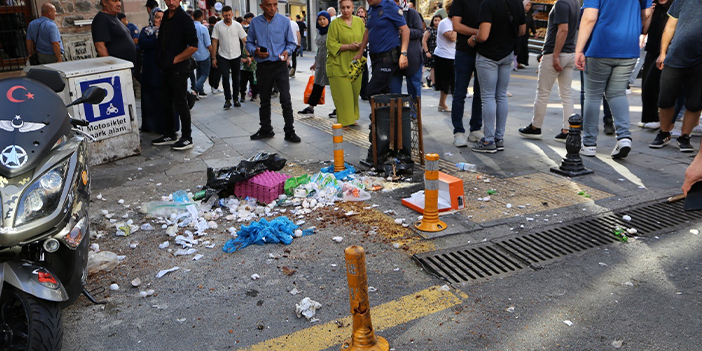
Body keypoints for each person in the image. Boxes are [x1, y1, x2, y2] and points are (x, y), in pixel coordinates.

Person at [575, 0, 652, 159]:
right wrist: (638, 30)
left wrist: (579, 49)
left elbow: (589, 18)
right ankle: (624, 138)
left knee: (593, 95)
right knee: (617, 93)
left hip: (600, 46)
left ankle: (589, 144)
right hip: (629, 47)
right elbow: (647, 13)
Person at [354, 0, 409, 163]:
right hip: (375, 59)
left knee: (372, 92)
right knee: (384, 98)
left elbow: (405, 30)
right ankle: (385, 142)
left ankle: (379, 138)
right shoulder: (372, 9)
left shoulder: (390, 6)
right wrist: (360, 51)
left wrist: (404, 53)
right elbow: (368, 31)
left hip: (387, 58)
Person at [469, 0, 526, 153]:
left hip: (488, 55)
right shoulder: (517, 3)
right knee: (501, 96)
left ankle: (488, 140)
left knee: (487, 97)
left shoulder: (487, 3)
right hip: (507, 54)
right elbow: (522, 31)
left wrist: (474, 39)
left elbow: (483, 35)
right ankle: (499, 138)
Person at [518, 0, 578, 141]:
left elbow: (563, 30)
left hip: (556, 54)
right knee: (566, 93)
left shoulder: (562, 3)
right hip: (569, 53)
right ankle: (567, 130)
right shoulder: (575, 3)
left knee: (543, 92)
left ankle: (535, 127)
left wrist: (555, 55)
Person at [649, 0, 702, 153]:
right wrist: (663, 52)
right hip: (675, 57)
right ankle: (664, 133)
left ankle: (685, 136)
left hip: (700, 61)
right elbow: (670, 25)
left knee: (695, 103)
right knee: (665, 100)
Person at [245, 0, 301, 142]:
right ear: (262, 6)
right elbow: (249, 42)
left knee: (286, 99)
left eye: (275, 4)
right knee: (264, 99)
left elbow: (291, 42)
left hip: (280, 65)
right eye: (269, 5)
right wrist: (255, 51)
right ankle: (266, 129)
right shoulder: (255, 22)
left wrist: (287, 52)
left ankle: (289, 130)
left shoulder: (283, 21)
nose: (273, 8)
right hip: (263, 66)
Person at [153, 0, 198, 150]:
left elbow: (193, 46)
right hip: (165, 67)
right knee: (166, 101)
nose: (171, 2)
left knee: (180, 102)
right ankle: (170, 133)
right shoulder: (166, 15)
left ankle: (187, 137)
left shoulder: (185, 19)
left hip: (178, 68)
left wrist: (175, 59)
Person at [449, 0, 483, 148]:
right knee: (460, 93)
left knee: (480, 94)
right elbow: (456, 26)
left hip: (484, 52)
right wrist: (477, 33)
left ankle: (475, 129)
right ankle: (458, 131)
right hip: (464, 51)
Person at [640, 0, 678, 130]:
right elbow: (645, 30)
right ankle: (650, 117)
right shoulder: (654, 7)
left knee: (658, 85)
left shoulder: (676, 7)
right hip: (652, 48)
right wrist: (648, 14)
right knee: (646, 85)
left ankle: (660, 119)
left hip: (667, 51)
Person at [327, 0, 365, 128]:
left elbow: (364, 38)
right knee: (343, 95)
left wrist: (361, 46)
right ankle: (344, 121)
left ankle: (352, 118)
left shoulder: (359, 22)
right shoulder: (335, 24)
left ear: (353, 7)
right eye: (343, 8)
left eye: (348, 7)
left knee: (354, 94)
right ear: (339, 8)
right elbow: (330, 44)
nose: (346, 10)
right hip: (338, 64)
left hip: (355, 64)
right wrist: (349, 46)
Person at [139, 9, 177, 134]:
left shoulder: (170, 30)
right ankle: (151, 126)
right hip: (151, 71)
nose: (160, 19)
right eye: (157, 17)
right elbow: (143, 43)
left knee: (167, 99)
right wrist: (158, 40)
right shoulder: (146, 31)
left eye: (163, 17)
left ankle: (169, 127)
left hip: (166, 71)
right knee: (151, 100)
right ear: (152, 18)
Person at [212, 6, 248, 109]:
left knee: (236, 78)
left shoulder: (237, 26)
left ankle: (236, 98)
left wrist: (248, 55)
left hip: (236, 56)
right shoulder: (218, 26)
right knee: (226, 77)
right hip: (223, 56)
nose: (227, 17)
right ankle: (227, 99)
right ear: (222, 15)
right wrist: (213, 58)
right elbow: (214, 42)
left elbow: (244, 40)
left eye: (229, 15)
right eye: (225, 15)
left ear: (232, 14)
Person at [389, 0, 425, 100]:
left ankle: (414, 114)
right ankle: (398, 114)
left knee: (414, 89)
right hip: (393, 57)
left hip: (412, 57)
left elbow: (420, 32)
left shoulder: (411, 13)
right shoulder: (387, 13)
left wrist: (405, 31)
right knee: (394, 92)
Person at [298, 11, 331, 115]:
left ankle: (338, 108)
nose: (322, 21)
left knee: (335, 86)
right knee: (317, 84)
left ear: (328, 20)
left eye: (324, 19)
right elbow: (319, 49)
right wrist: (315, 63)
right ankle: (311, 106)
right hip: (320, 63)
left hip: (330, 62)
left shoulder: (332, 31)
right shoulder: (318, 32)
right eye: (320, 19)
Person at [92, 0, 137, 65]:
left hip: (126, 67)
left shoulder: (114, 18)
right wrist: (111, 68)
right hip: (117, 69)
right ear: (104, 2)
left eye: (119, 1)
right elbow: (100, 46)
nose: (119, 4)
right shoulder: (101, 18)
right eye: (114, 1)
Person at [433, 0, 455, 113]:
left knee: (452, 82)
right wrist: (460, 27)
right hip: (444, 56)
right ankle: (442, 104)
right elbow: (452, 37)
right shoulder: (445, 23)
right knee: (446, 83)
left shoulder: (457, 22)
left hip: (454, 55)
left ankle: (443, 104)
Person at [192, 10, 212, 98]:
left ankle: (201, 91)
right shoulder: (203, 28)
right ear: (201, 17)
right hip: (203, 54)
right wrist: (213, 54)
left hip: (193, 55)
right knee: (205, 74)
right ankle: (196, 89)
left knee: (199, 73)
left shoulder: (190, 27)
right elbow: (208, 43)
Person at [515, 0, 537, 70]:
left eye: (530, 6)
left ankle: (520, 62)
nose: (528, 7)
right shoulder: (520, 13)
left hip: (525, 34)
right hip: (519, 34)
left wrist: (534, 32)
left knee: (524, 48)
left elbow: (531, 24)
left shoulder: (529, 14)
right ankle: (516, 63)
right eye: (527, 5)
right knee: (518, 48)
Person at [422, 15, 441, 88]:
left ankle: (429, 78)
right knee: (433, 67)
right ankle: (434, 83)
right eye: (435, 20)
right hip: (431, 50)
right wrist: (427, 51)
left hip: (439, 50)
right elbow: (424, 41)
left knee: (437, 67)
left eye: (438, 20)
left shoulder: (442, 29)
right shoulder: (429, 30)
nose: (437, 22)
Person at [356, 6, 370, 100]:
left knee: (365, 73)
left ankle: (364, 91)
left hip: (365, 51)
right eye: (359, 12)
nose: (360, 13)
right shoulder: (354, 25)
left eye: (362, 12)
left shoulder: (367, 26)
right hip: (355, 51)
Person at [207, 16, 223, 95]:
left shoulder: (207, 29)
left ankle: (212, 85)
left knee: (211, 70)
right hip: (217, 52)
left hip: (208, 52)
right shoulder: (216, 30)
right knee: (217, 70)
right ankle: (215, 86)